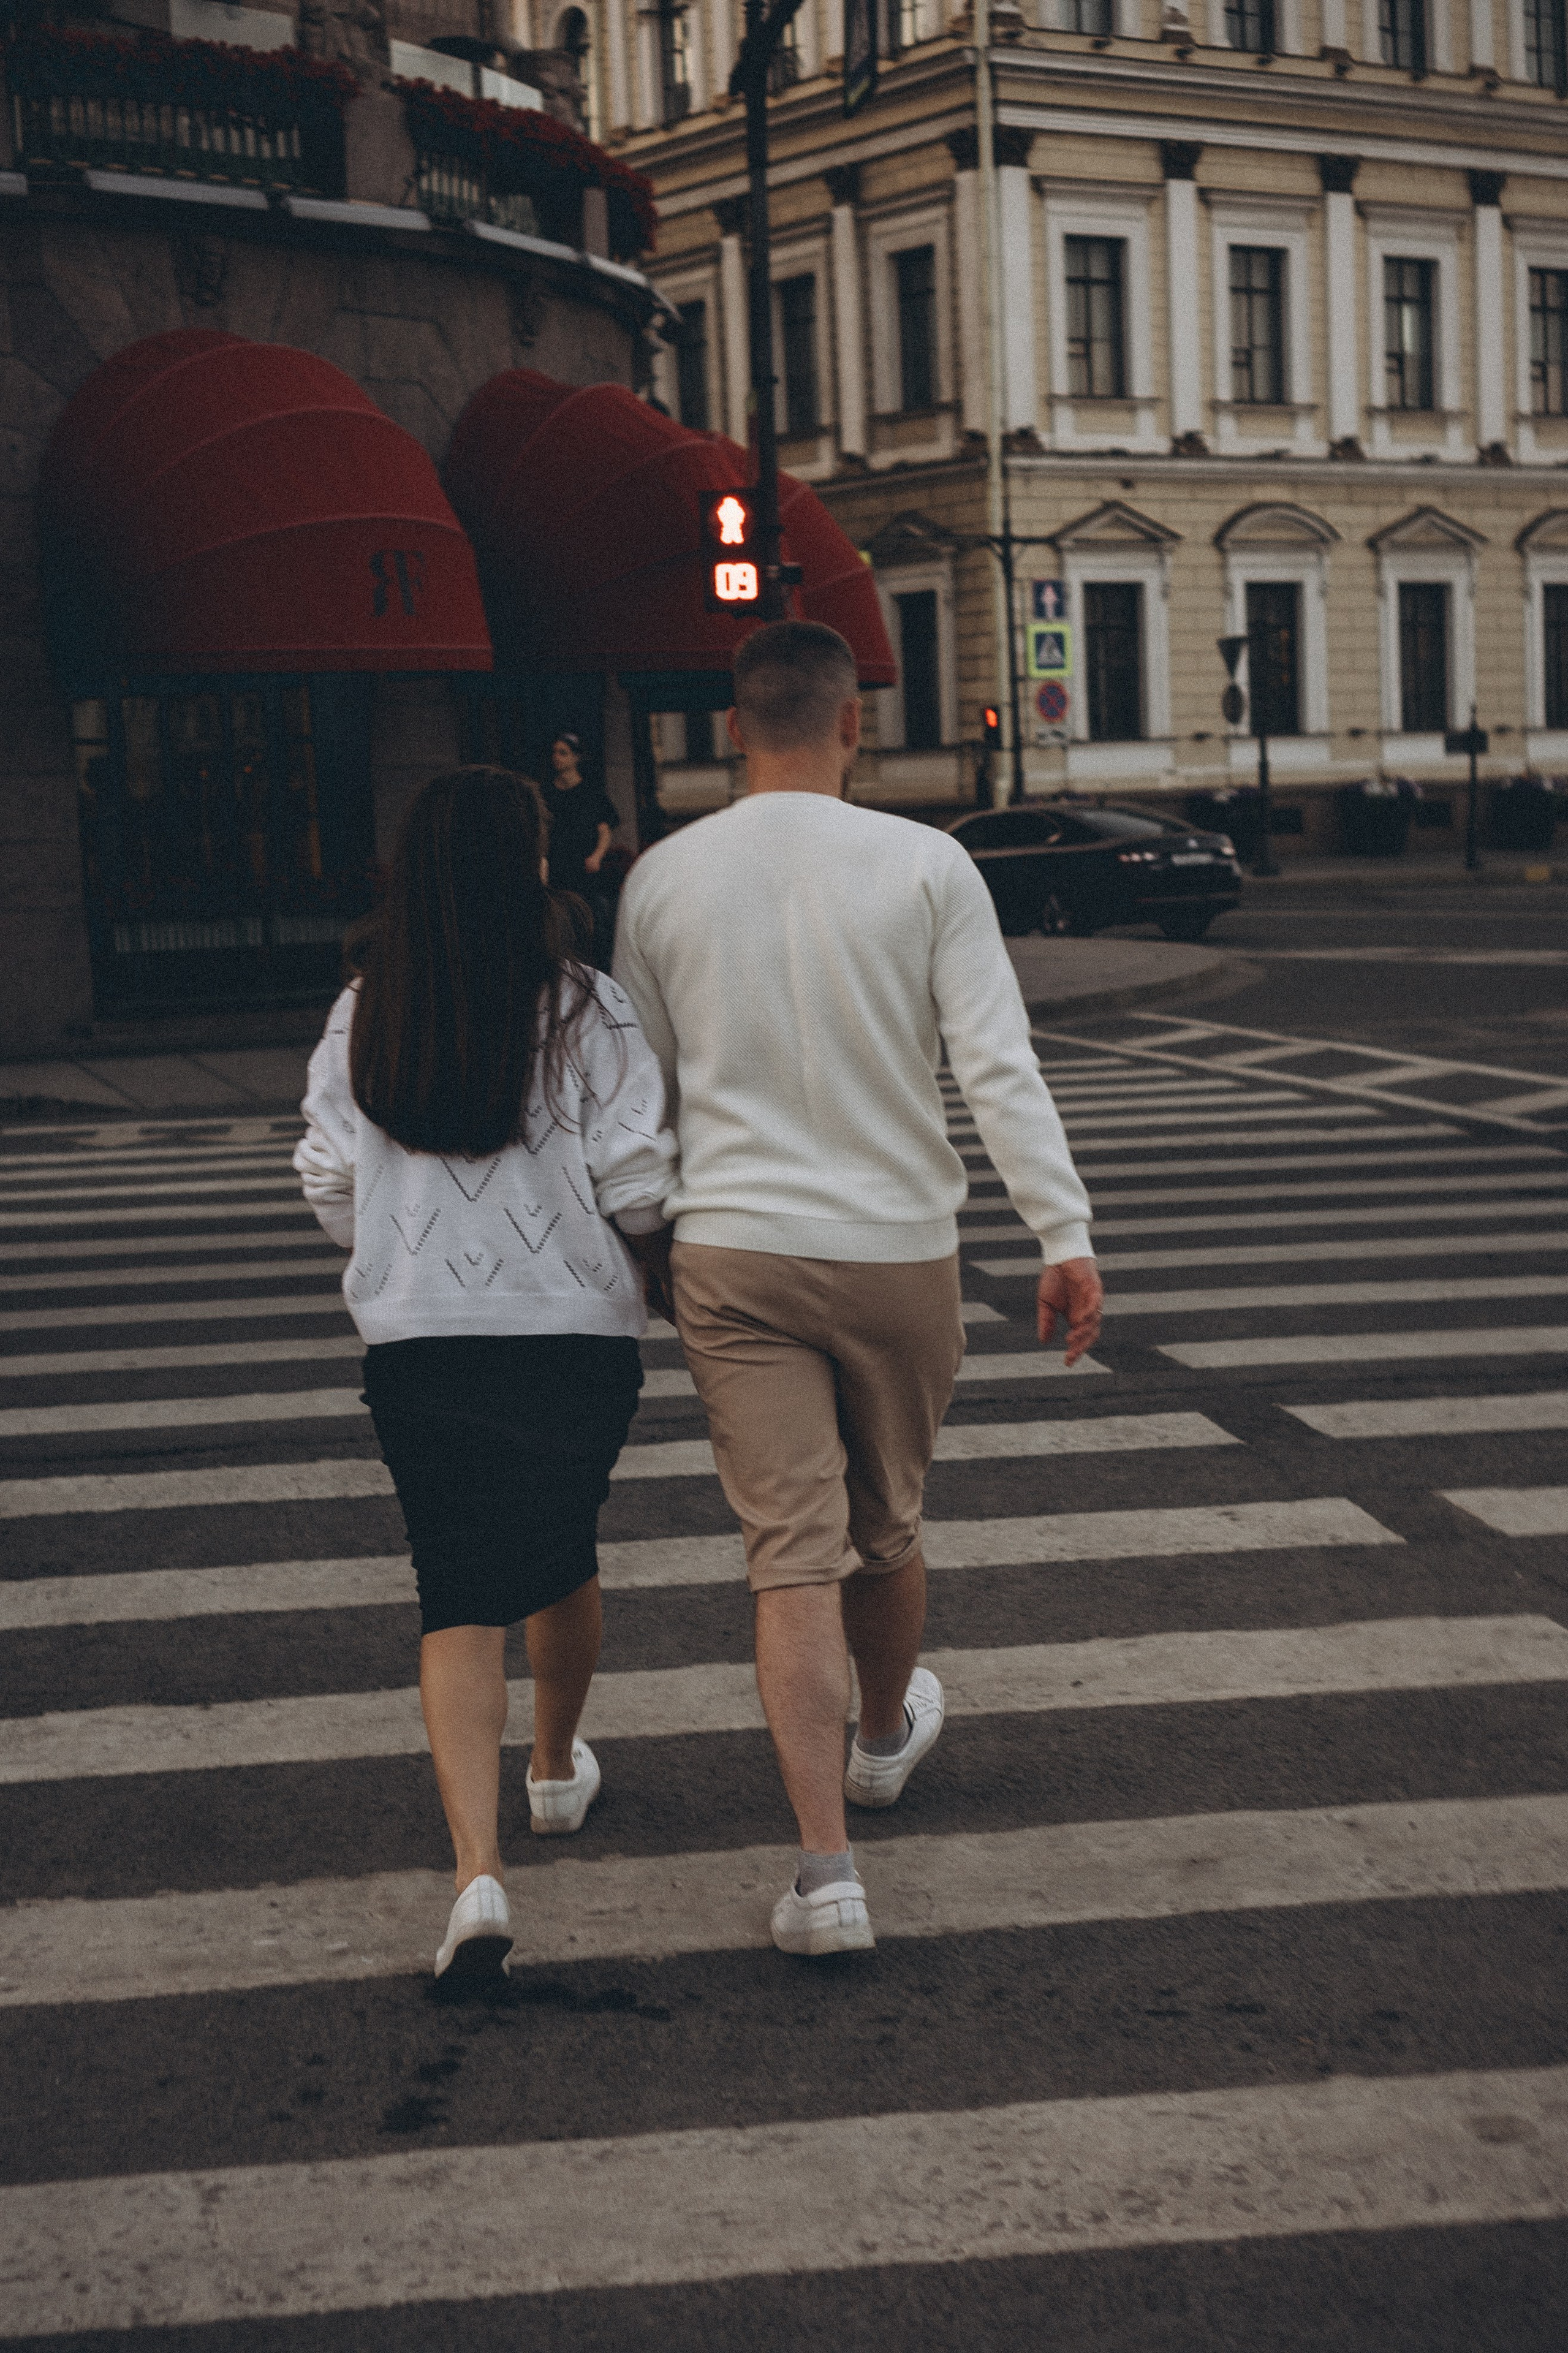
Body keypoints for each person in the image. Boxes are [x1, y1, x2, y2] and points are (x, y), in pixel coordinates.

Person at [613, 621, 1102, 1959]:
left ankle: (825, 1878)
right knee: (886, 1529)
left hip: (733, 1249)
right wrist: (1061, 1235)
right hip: (897, 1250)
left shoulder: (660, 879)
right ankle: (883, 1738)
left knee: (788, 1561)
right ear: (852, 724)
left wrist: (644, 1236)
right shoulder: (928, 864)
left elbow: (640, 1092)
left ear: (732, 729)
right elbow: (995, 1063)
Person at [295, 767, 675, 1983]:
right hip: (573, 1333)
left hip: (421, 1338)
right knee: (560, 1549)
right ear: (529, 866)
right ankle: (555, 1769)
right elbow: (635, 1183)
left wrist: (398, 1242)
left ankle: (476, 1873)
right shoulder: (586, 1005)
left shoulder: (367, 1010)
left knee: (454, 1589)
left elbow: (328, 1179)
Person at [543, 730, 621, 969]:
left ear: (576, 758)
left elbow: (605, 829)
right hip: (558, 871)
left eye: (563, 753)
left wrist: (597, 856)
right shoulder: (547, 793)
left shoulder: (591, 792)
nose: (557, 757)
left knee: (594, 925)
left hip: (586, 872)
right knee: (561, 927)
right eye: (555, 752)